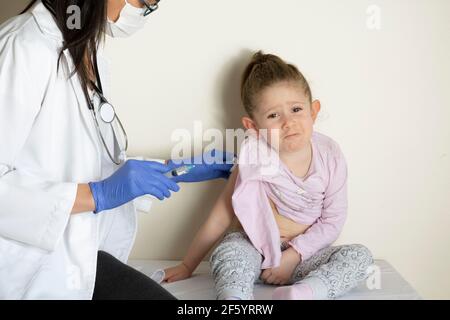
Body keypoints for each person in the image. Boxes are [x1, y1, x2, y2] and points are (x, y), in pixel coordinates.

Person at [0, 0, 233, 299]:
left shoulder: (85, 50)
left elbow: (81, 160)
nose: (143, 12)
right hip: (23, 271)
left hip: (75, 257)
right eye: (144, 2)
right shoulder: (24, 47)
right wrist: (99, 195)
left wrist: (174, 169)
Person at [163, 51, 374, 300]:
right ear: (253, 127)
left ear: (313, 111)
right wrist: (188, 265)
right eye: (274, 115)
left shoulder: (330, 155)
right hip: (254, 247)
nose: (288, 122)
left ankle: (305, 293)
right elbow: (220, 217)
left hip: (303, 256)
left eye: (296, 109)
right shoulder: (255, 157)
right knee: (229, 251)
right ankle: (234, 298)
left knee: (361, 256)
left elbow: (333, 220)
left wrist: (292, 256)